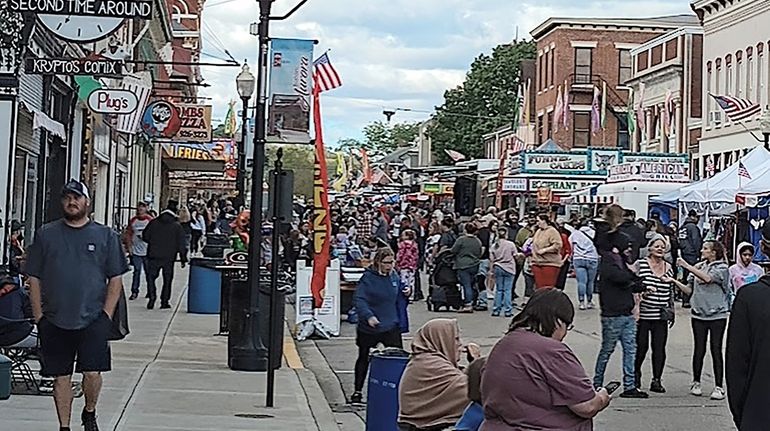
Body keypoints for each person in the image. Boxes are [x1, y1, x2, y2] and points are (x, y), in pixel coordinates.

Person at [25, 179, 129, 431]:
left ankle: (89, 411)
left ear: (87, 202)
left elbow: (115, 278)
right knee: (61, 376)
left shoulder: (105, 236)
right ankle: (64, 426)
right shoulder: (46, 235)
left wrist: (107, 314)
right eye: (67, 198)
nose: (72, 202)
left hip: (93, 318)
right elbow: (34, 277)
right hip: (55, 318)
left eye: (77, 197)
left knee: (92, 373)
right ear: (62, 202)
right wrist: (39, 315)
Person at [481, 288, 611, 430]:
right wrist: (602, 397)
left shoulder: (505, 343)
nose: (565, 334)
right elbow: (586, 406)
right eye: (568, 327)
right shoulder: (552, 350)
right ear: (558, 321)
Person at [593, 206, 649, 399]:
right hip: (613, 312)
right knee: (608, 349)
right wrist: (633, 279)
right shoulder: (609, 261)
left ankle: (630, 385)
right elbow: (617, 278)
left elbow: (624, 279)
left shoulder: (617, 260)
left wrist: (637, 284)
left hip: (625, 310)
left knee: (629, 350)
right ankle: (597, 383)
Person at [670, 240, 730, 400]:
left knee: (716, 349)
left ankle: (718, 386)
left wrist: (687, 266)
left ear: (714, 252)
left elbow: (708, 279)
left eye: (706, 248)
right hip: (698, 314)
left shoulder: (722, 268)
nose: (702, 251)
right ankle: (696, 382)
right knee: (699, 349)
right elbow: (689, 290)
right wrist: (674, 282)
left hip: (717, 314)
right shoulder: (699, 266)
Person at [398, 319, 482, 431]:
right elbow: (474, 391)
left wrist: (473, 364)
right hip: (425, 426)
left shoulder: (426, 360)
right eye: (456, 339)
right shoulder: (430, 364)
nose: (460, 344)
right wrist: (477, 362)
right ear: (442, 340)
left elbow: (458, 380)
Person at [726, 219, 770, 431]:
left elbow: (736, 365)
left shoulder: (750, 298)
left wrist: (744, 416)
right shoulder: (750, 297)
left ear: (762, 247)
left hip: (759, 411)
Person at [351, 247, 407, 404]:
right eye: (386, 263)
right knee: (363, 357)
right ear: (378, 262)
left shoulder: (394, 276)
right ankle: (357, 390)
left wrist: (405, 292)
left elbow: (398, 292)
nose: (390, 266)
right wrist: (368, 316)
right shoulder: (368, 278)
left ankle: (397, 391)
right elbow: (359, 299)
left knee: (397, 357)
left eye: (392, 262)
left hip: (390, 324)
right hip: (370, 326)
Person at [634, 235, 675, 394]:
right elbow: (633, 285)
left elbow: (671, 291)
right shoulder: (641, 264)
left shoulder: (668, 267)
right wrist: (639, 299)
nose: (660, 249)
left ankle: (656, 379)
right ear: (649, 248)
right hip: (643, 314)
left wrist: (672, 311)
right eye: (657, 246)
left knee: (659, 348)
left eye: (663, 247)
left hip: (661, 314)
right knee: (641, 347)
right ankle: (635, 376)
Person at [142, 200, 188, 310]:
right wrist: (183, 258)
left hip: (153, 255)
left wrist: (154, 242)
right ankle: (164, 301)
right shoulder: (176, 226)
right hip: (169, 257)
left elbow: (145, 236)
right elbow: (181, 243)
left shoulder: (153, 223)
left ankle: (152, 297)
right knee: (167, 279)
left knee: (151, 277)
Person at [123, 202, 153, 301]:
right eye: (139, 208)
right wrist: (129, 247)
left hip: (147, 250)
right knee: (137, 271)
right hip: (136, 250)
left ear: (146, 209)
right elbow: (128, 234)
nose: (140, 210)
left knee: (149, 272)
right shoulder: (133, 221)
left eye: (142, 208)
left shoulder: (150, 221)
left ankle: (150, 291)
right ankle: (134, 291)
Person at [451, 223, 483, 313]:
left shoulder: (461, 240)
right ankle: (474, 301)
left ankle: (468, 304)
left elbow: (453, 250)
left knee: (466, 285)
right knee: (472, 284)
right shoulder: (477, 241)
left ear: (465, 230)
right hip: (474, 264)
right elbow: (480, 252)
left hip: (463, 264)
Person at [570, 220, 599, 310]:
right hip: (592, 258)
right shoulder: (594, 233)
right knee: (590, 282)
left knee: (581, 282)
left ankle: (581, 302)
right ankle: (589, 301)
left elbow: (571, 245)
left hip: (578, 258)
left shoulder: (575, 234)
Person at [489, 226, 518, 317]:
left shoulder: (494, 245)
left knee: (499, 290)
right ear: (506, 234)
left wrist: (491, 271)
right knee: (507, 290)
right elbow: (516, 255)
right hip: (509, 268)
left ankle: (496, 310)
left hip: (498, 267)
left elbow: (491, 259)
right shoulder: (511, 244)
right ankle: (508, 310)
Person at [678, 210, 703, 308]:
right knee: (692, 278)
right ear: (694, 217)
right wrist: (698, 254)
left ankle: (685, 299)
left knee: (685, 277)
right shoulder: (693, 228)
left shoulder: (682, 227)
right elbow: (696, 241)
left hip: (684, 254)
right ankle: (690, 299)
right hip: (692, 256)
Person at [531, 214, 563, 289]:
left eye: (538, 221)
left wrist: (545, 250)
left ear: (544, 221)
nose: (537, 223)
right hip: (537, 262)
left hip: (550, 262)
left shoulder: (552, 231)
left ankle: (548, 300)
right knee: (539, 286)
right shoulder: (538, 231)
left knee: (547, 286)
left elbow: (558, 245)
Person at [396, 229, 419, 302]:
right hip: (412, 265)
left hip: (403, 264)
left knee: (404, 280)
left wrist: (397, 262)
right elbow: (416, 255)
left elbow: (400, 254)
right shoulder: (414, 244)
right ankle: (411, 296)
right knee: (411, 281)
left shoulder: (402, 244)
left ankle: (404, 294)